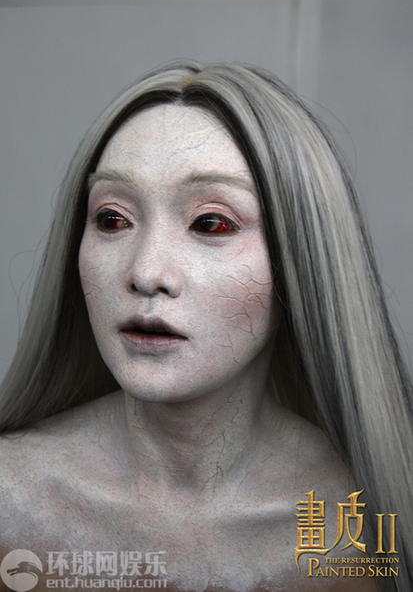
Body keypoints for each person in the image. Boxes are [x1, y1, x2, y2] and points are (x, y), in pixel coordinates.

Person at [0, 62, 411, 592]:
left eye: (210, 222)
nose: (147, 272)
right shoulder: (11, 500)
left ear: (301, 259)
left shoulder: (366, 529)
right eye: (112, 218)